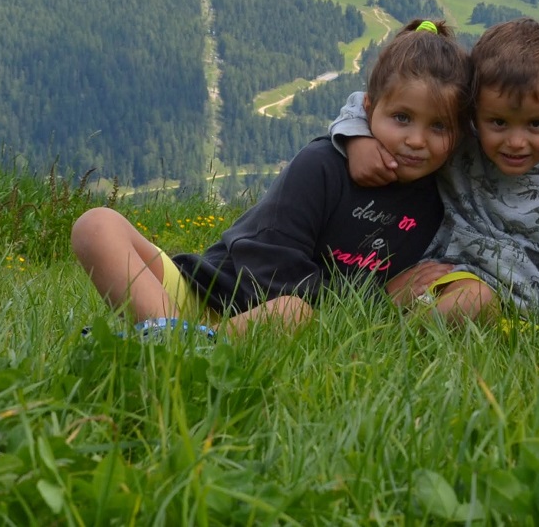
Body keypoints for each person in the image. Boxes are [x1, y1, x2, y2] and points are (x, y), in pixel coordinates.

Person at [69, 19, 467, 336]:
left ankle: (177, 346)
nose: (417, 140)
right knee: (96, 225)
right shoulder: (323, 165)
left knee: (293, 313)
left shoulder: (445, 198)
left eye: (439, 127)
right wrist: (379, 298)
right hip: (210, 293)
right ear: (368, 109)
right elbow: (267, 265)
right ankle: (174, 336)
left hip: (285, 322)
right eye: (402, 118)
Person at [335, 17, 539, 325]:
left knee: (475, 300)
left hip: (531, 322)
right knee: (472, 299)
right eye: (498, 122)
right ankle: (390, 338)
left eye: (536, 124)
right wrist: (357, 139)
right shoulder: (460, 143)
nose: (516, 142)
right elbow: (374, 101)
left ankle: (389, 337)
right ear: (474, 111)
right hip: (445, 286)